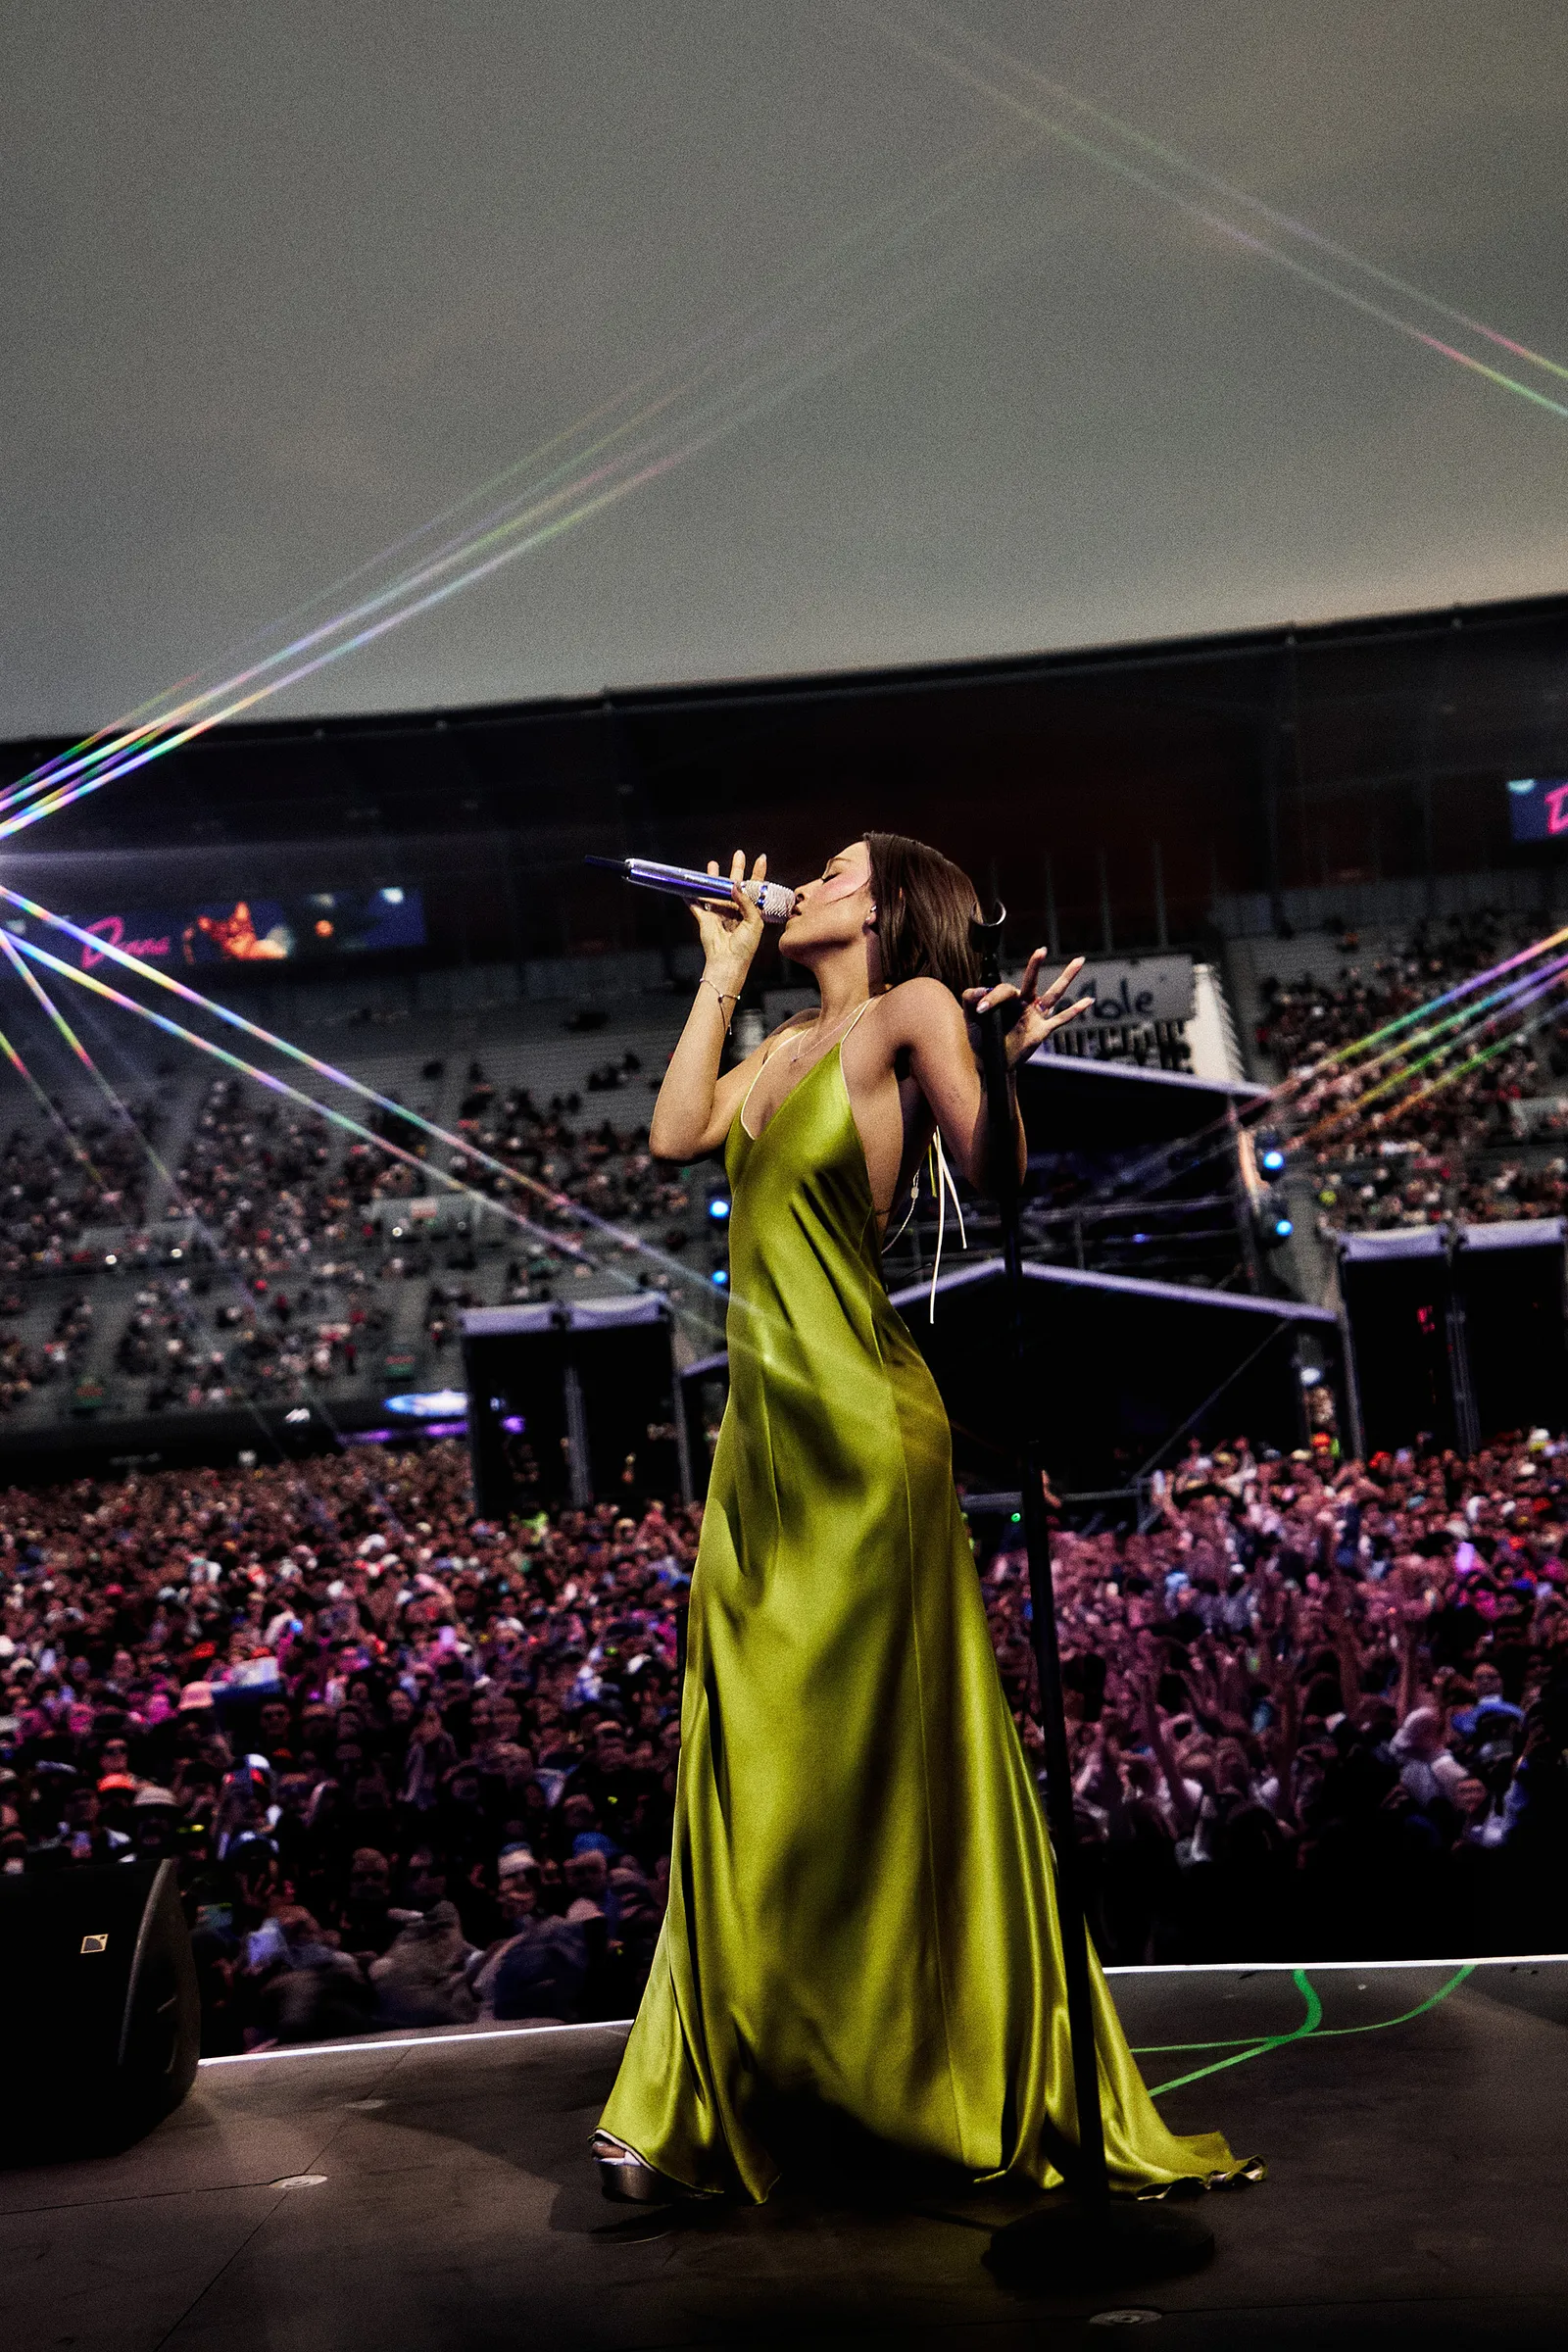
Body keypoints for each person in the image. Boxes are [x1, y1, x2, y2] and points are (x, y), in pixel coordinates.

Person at [594, 834, 1253, 2204]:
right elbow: (671, 1135)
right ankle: (747, 2093)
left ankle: (779, 2096)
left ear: (889, 909)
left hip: (859, 1428)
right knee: (742, 1750)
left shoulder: (914, 1011)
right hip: (762, 1446)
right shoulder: (778, 1041)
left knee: (821, 1756)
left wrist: (998, 1058)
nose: (805, 886)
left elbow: (990, 1163)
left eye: (834, 873)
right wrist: (717, 975)